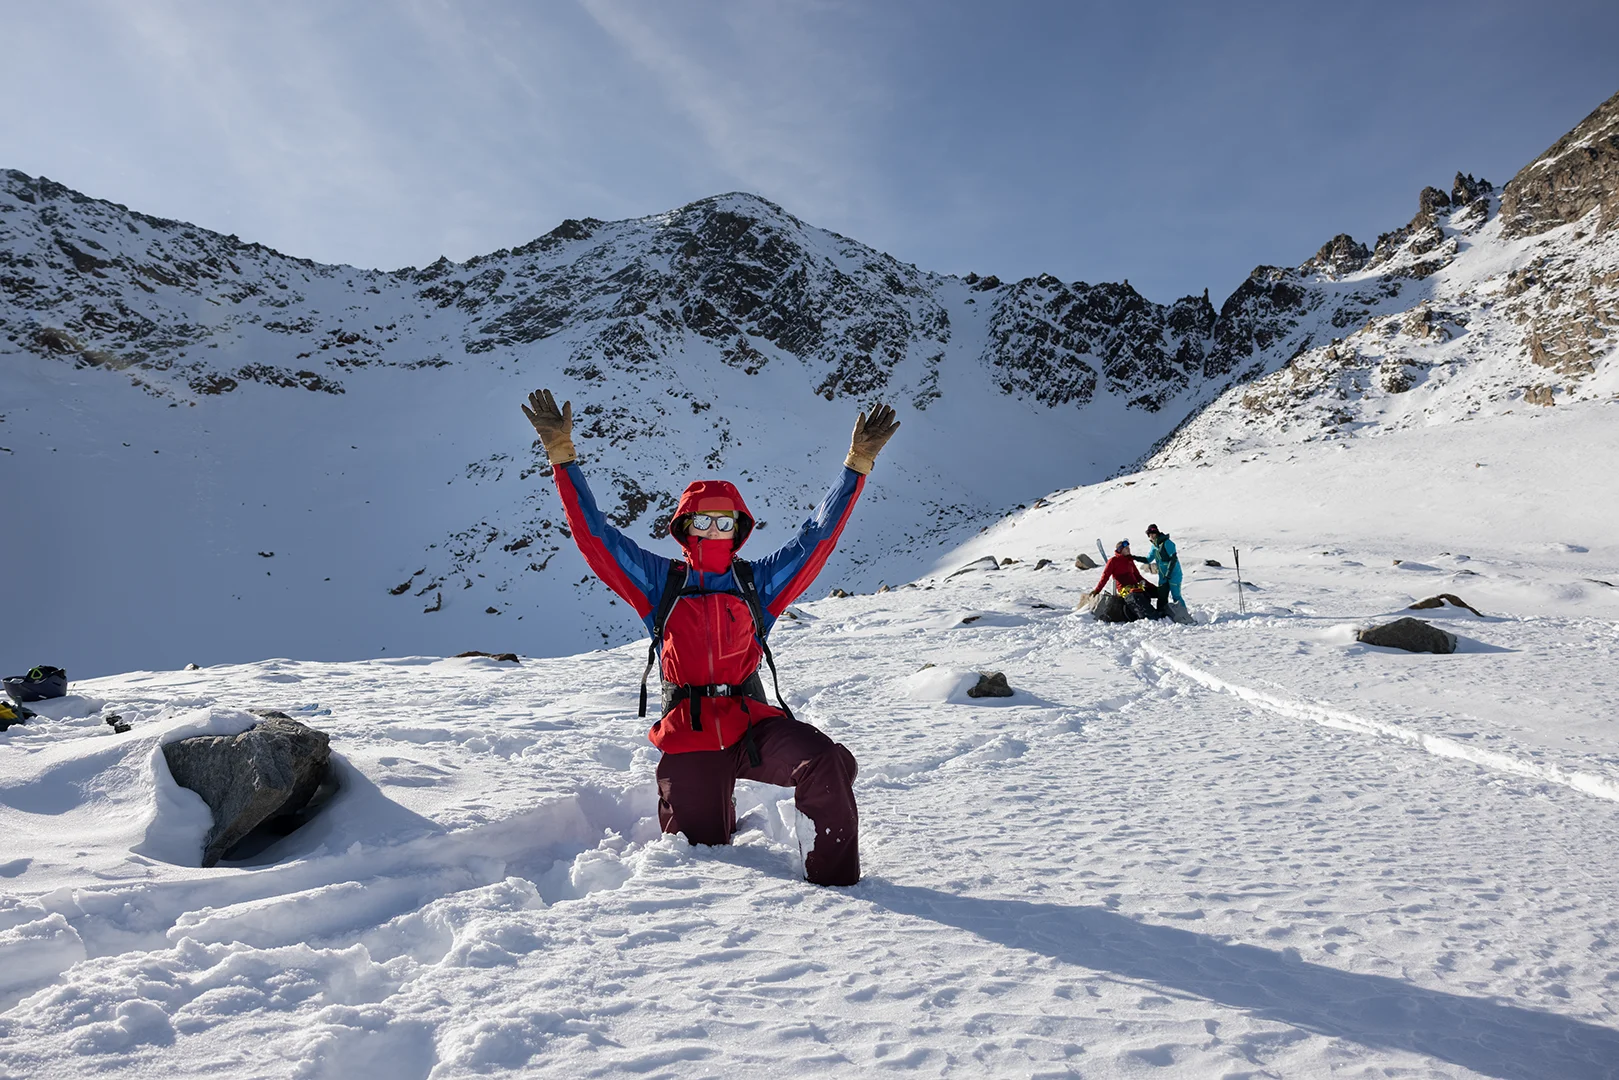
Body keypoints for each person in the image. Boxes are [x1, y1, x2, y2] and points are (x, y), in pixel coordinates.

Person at [521, 388, 899, 887]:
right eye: (704, 520)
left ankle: (834, 887)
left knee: (824, 760)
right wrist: (562, 459)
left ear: (739, 528)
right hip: (691, 731)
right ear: (685, 527)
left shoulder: (756, 583)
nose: (715, 529)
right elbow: (596, 537)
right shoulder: (661, 584)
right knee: (702, 857)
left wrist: (857, 466)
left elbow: (817, 538)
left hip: (752, 725)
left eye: (726, 521)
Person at [1089, 539, 1159, 621]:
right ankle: (1150, 616)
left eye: (1129, 547)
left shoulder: (1129, 560)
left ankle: (1162, 610)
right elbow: (1105, 577)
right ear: (1120, 550)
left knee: (1159, 592)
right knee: (1135, 596)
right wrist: (1097, 590)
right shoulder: (1113, 561)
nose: (1129, 549)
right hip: (1125, 590)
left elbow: (1138, 577)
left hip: (1137, 587)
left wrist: (1153, 587)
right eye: (1126, 548)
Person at [1144, 524, 1182, 616]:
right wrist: (1132, 557)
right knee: (1162, 595)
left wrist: (1169, 573)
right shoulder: (1154, 546)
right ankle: (1162, 614)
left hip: (1174, 574)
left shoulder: (1167, 543)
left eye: (1153, 533)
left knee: (1176, 596)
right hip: (1163, 576)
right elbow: (1148, 559)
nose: (1152, 535)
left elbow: (1173, 559)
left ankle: (1183, 614)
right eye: (1150, 534)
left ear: (1157, 533)